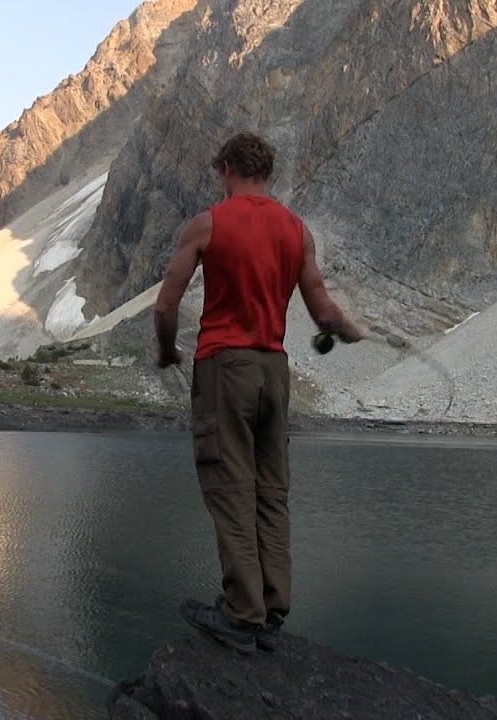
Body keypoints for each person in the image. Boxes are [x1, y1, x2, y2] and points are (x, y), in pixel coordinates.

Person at [153, 131, 365, 654]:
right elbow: (323, 309)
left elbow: (165, 306)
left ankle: (241, 614)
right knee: (271, 492)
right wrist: (347, 329)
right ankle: (272, 609)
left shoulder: (208, 224)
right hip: (275, 370)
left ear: (226, 167)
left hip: (225, 367)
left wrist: (166, 353)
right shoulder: (296, 230)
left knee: (229, 489)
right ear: (267, 171)